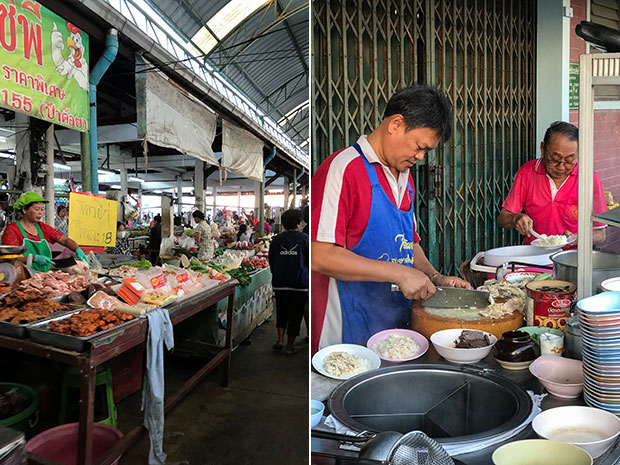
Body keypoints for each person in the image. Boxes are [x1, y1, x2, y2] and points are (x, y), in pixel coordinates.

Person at [311, 85, 470, 354]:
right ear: (396, 124)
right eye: (419, 147)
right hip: (347, 332)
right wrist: (399, 273)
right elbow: (320, 255)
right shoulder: (343, 169)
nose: (420, 157)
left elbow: (408, 243)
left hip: (394, 329)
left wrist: (434, 276)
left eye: (426, 151)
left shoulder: (404, 178)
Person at [498, 121, 607, 244]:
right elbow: (503, 219)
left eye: (569, 161)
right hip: (535, 255)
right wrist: (516, 218)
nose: (561, 167)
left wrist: (575, 239)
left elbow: (600, 234)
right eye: (554, 160)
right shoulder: (527, 172)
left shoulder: (589, 179)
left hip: (572, 258)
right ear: (543, 149)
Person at [1, 192, 89, 272]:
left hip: (42, 276)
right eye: (36, 209)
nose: (40, 213)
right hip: (20, 275)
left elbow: (64, 240)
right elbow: (8, 258)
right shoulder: (12, 229)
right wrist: (33, 258)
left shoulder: (42, 227)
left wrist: (77, 249)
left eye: (42, 209)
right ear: (24, 210)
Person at [269, 209, 308, 355]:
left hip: (280, 283)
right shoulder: (305, 240)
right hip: (299, 283)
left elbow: (271, 261)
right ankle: (290, 347)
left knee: (281, 311)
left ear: (283, 224)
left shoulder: (276, 240)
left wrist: (277, 274)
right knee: (295, 315)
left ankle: (280, 340)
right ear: (299, 223)